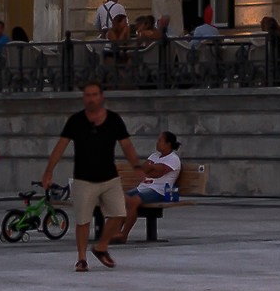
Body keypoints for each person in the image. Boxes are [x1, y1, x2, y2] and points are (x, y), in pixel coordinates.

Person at [40, 81, 138, 272]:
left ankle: (101, 246)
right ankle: (82, 258)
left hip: (109, 177)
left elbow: (126, 145)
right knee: (83, 221)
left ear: (101, 97)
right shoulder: (76, 121)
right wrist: (49, 170)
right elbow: (61, 146)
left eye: (94, 95)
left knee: (119, 214)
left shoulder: (113, 120)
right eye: (87, 95)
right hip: (84, 178)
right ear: (83, 98)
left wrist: (137, 166)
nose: (91, 99)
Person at [109, 132, 182, 243]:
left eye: (160, 141)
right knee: (121, 199)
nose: (157, 143)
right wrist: (152, 168)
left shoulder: (173, 159)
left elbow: (159, 173)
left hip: (160, 191)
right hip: (143, 187)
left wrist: (151, 167)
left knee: (134, 201)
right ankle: (115, 233)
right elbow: (143, 170)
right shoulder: (154, 155)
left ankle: (124, 235)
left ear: (168, 144)